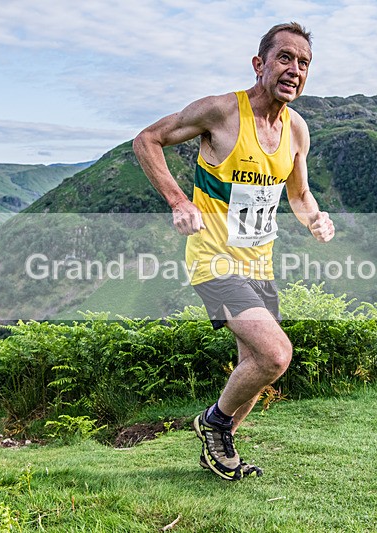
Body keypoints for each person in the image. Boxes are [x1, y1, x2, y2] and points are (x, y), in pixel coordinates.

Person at [133, 21, 335, 481]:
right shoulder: (222, 112)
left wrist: (315, 219)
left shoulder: (296, 130)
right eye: (285, 58)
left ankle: (218, 450)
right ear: (259, 64)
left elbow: (300, 196)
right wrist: (178, 200)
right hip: (213, 260)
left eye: (304, 63)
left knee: (256, 365)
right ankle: (215, 423)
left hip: (259, 262)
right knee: (276, 355)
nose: (294, 69)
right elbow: (146, 140)